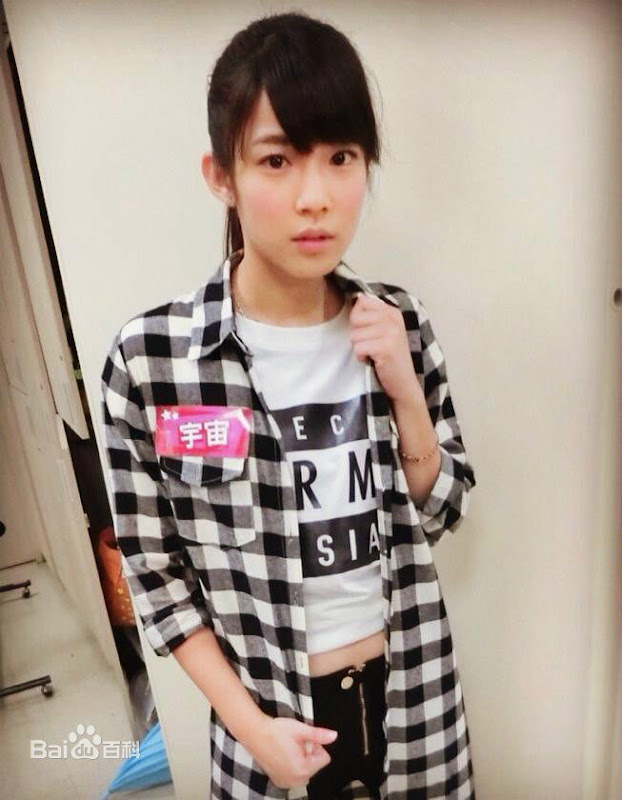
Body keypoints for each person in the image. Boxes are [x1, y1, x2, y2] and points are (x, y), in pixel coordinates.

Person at [100, 11, 477, 800]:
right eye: (277, 160)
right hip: (268, 729)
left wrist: (405, 391)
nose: (316, 198)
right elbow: (157, 578)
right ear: (221, 176)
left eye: (341, 158)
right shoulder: (154, 362)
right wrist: (253, 730)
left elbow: (441, 511)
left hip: (415, 704)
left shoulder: (397, 323)